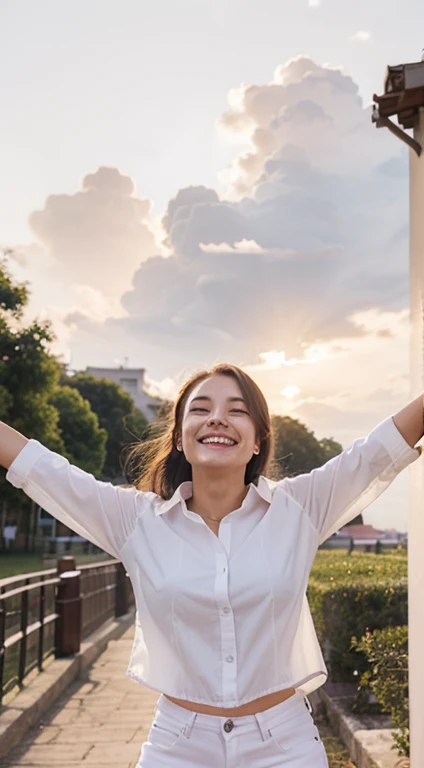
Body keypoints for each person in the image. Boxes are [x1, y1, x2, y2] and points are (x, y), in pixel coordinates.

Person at [1, 363, 422, 768]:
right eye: (200, 409)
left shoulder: (299, 509)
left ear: (258, 440)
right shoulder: (135, 520)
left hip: (285, 743)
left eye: (237, 410)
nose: (217, 419)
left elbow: (373, 454)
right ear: (180, 438)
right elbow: (44, 469)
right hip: (178, 743)